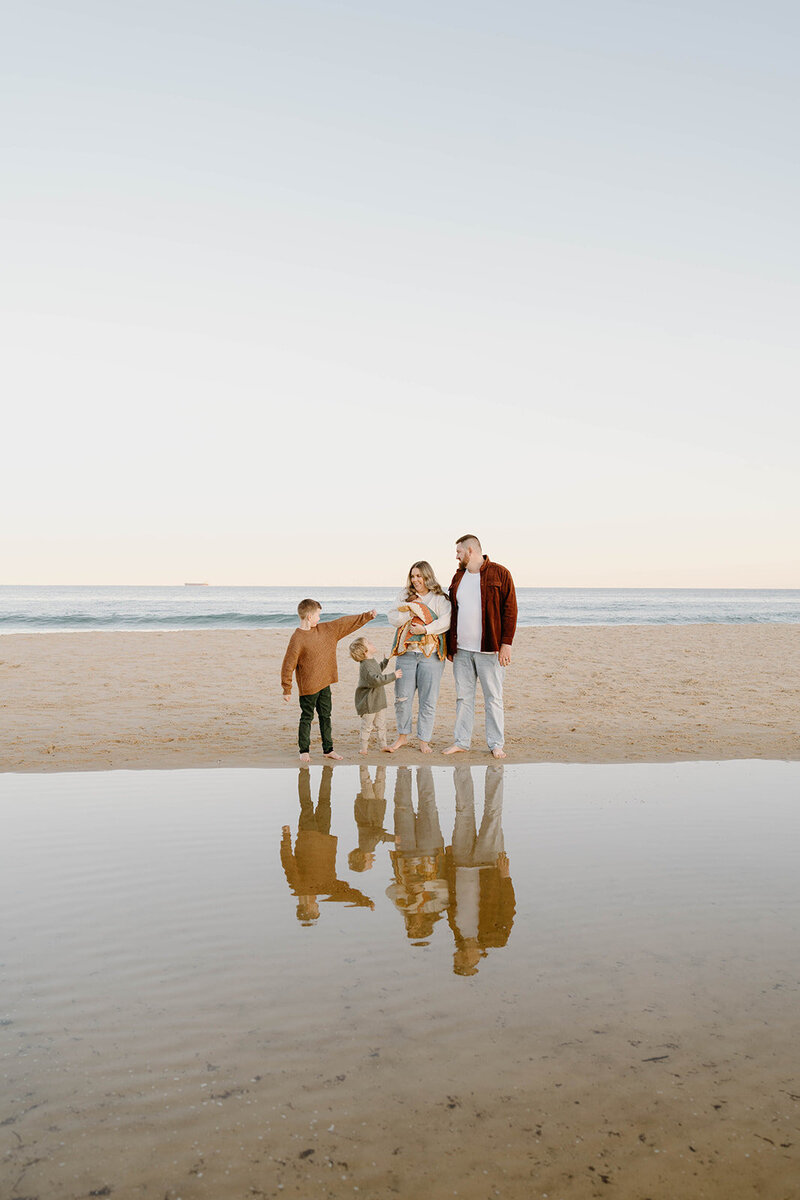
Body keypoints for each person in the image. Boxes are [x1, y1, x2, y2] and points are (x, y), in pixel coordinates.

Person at [443, 535, 517, 759]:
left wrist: (506, 644)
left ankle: (496, 744)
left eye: (459, 551)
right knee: (463, 698)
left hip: (490, 649)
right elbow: (451, 611)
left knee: (493, 697)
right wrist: (449, 646)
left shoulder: (500, 573)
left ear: (471, 550)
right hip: (462, 650)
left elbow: (510, 611)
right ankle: (461, 742)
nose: (456, 556)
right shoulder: (458, 577)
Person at [281, 598, 376, 762]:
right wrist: (287, 688)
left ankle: (328, 749)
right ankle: (304, 750)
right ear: (309, 616)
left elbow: (345, 623)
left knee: (326, 716)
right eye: (318, 615)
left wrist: (366, 616)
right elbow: (288, 664)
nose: (319, 618)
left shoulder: (326, 630)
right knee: (307, 717)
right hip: (308, 687)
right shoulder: (297, 638)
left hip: (325, 683)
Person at [444, 765, 515, 975]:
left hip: (461, 862)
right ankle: (496, 770)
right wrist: (505, 877)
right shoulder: (497, 938)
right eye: (467, 963)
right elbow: (508, 907)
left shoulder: (455, 933)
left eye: (458, 962)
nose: (463, 958)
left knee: (462, 811)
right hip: (489, 867)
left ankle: (462, 768)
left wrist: (447, 862)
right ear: (477, 961)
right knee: (493, 814)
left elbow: (450, 898)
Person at [280, 766, 374, 923]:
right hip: (323, 838)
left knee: (308, 804)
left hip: (308, 837)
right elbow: (345, 894)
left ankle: (306, 771)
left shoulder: (299, 886)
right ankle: (326, 771)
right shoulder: (323, 889)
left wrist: (286, 836)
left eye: (315, 908)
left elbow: (287, 860)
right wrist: (363, 901)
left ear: (308, 908)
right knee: (322, 802)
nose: (316, 904)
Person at [385, 561, 451, 754]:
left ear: (427, 577)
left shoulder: (439, 598)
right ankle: (403, 737)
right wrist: (410, 612)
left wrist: (425, 629)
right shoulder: (404, 596)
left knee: (428, 699)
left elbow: (446, 621)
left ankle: (424, 740)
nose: (415, 580)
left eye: (419, 576)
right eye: (413, 576)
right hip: (406, 653)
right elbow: (392, 617)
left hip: (431, 656)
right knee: (402, 697)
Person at [349, 636, 403, 755]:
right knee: (367, 726)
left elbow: (377, 670)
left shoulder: (370, 661)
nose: (371, 642)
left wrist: (385, 661)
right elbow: (376, 680)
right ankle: (363, 748)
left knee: (381, 725)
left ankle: (383, 745)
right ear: (365, 651)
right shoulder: (366, 666)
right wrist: (394, 675)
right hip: (369, 702)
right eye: (368, 642)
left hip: (378, 700)